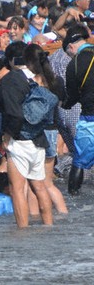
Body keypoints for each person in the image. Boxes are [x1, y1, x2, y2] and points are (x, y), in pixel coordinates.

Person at [0, 50, 53, 228]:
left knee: (16, 189)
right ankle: (49, 226)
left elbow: (15, 115)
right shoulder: (18, 75)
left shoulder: (5, 85)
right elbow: (12, 103)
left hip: (20, 142)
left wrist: (6, 138)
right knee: (39, 187)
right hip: (37, 138)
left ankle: (22, 230)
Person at [23, 43, 68, 214]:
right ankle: (63, 213)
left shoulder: (30, 84)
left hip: (37, 134)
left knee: (32, 182)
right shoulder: (56, 81)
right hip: (52, 131)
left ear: (28, 63)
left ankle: (34, 218)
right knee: (48, 183)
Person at [62, 26, 94, 195]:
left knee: (80, 162)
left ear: (71, 47)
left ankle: (73, 199)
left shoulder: (73, 65)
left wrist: (64, 104)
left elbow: (72, 97)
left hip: (90, 120)